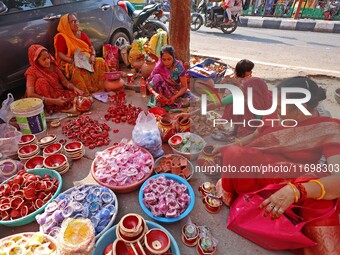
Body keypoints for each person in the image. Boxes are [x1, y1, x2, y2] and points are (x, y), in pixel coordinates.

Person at [213, 76, 340, 254]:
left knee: (323, 200)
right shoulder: (276, 110)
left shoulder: (326, 129)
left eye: (280, 108)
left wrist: (296, 191)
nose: (275, 109)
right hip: (265, 167)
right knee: (233, 154)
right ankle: (240, 198)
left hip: (295, 181)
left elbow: (338, 179)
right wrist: (232, 146)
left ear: (300, 110)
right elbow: (257, 135)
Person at [178, 76, 272, 142]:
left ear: (256, 95)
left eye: (246, 95)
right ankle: (237, 129)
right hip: (250, 125)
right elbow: (214, 105)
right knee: (233, 105)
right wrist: (190, 114)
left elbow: (264, 131)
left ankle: (243, 133)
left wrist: (240, 142)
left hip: (262, 131)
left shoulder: (268, 106)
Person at [54, 13, 108, 94]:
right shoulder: (62, 37)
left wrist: (93, 56)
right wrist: (72, 61)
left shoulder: (82, 35)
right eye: (73, 21)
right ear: (66, 24)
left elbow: (91, 48)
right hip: (70, 62)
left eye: (77, 21)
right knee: (77, 70)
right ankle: (84, 93)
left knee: (101, 61)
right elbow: (60, 54)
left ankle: (104, 87)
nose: (76, 23)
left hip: (87, 59)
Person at [25, 44, 83, 114]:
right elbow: (30, 94)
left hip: (57, 94)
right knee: (41, 82)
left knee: (79, 98)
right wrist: (54, 101)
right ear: (36, 60)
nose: (48, 61)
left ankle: (61, 106)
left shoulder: (53, 66)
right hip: (44, 98)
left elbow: (65, 82)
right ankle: (50, 108)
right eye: (44, 59)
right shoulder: (32, 72)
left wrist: (74, 88)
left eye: (48, 58)